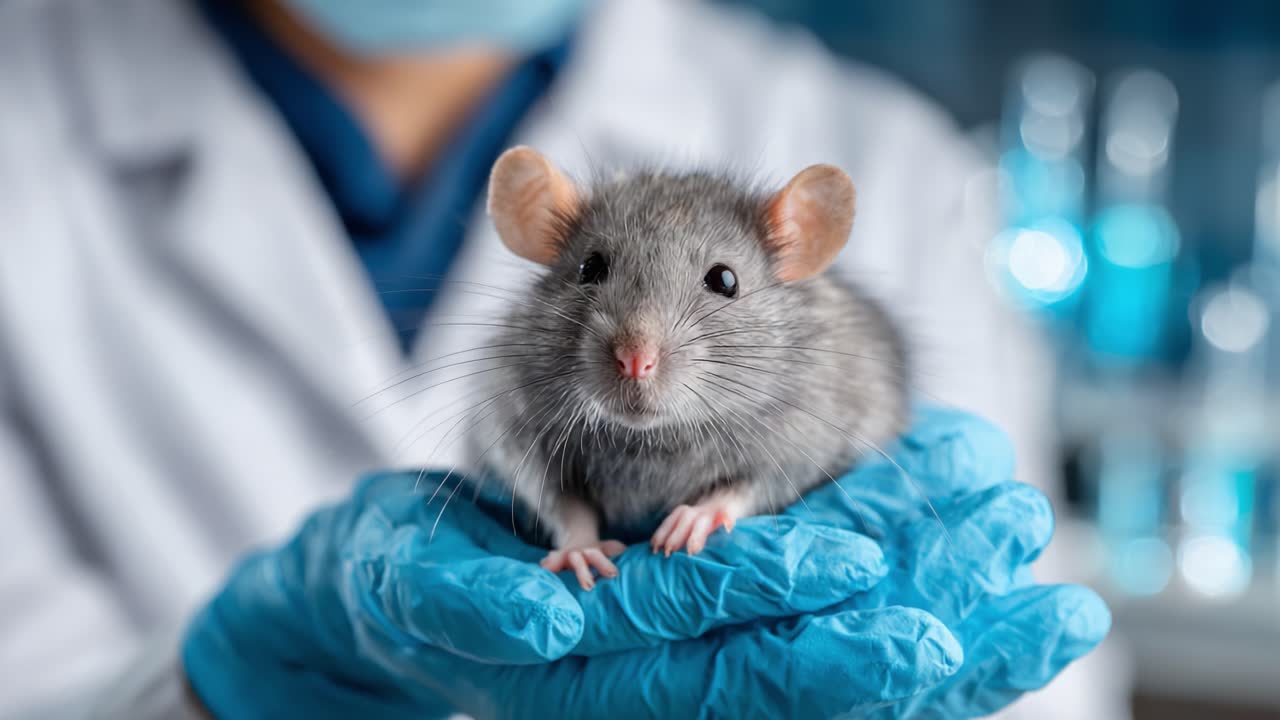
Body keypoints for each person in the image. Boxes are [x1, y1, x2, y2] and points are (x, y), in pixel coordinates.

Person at [0, 0, 1121, 717]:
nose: (636, 351)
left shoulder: (883, 149)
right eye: (589, 280)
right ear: (539, 227)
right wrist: (210, 692)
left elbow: (1027, 687)